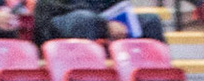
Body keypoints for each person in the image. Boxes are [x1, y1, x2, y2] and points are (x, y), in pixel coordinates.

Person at [32, 0, 166, 43]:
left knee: (150, 21)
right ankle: (87, 79)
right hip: (60, 16)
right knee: (85, 19)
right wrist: (105, 24)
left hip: (99, 17)